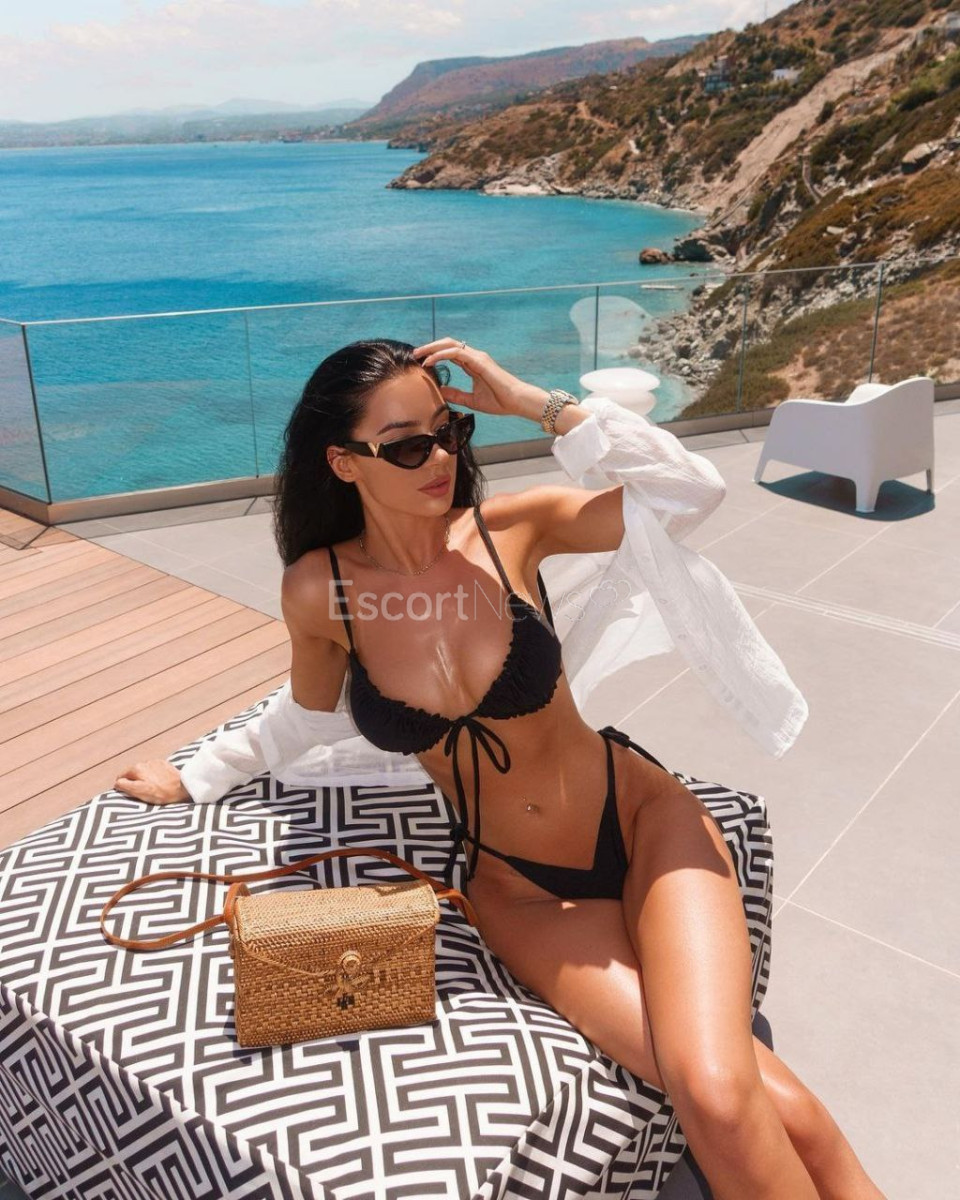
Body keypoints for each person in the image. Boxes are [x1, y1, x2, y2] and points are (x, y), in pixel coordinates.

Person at [115, 337, 885, 1200]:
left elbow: (689, 491)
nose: (441, 458)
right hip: (519, 889)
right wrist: (196, 775)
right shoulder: (319, 589)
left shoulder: (510, 529)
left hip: (640, 821)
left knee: (726, 1095)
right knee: (726, 1096)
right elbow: (306, 713)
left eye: (449, 433)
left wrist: (531, 403)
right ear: (343, 462)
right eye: (408, 445)